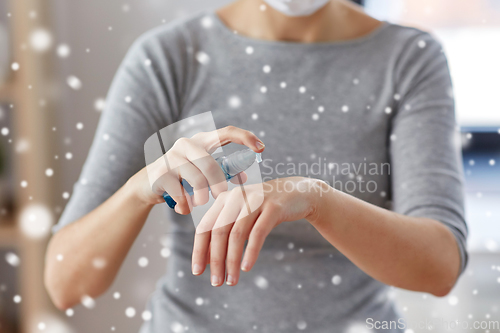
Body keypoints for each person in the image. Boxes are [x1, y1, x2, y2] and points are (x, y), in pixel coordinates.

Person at [44, 0, 468, 332]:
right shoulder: (170, 57)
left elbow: (440, 268)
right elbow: (66, 284)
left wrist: (315, 200)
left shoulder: (409, 58)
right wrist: (142, 187)